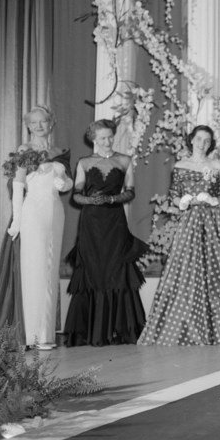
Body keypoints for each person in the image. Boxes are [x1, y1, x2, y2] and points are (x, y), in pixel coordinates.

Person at [139, 125, 220, 346]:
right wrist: (184, 201)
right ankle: (184, 327)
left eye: (207, 140)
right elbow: (174, 195)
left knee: (218, 269)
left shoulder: (217, 165)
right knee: (186, 269)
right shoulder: (180, 165)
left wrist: (214, 200)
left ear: (211, 143)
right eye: (199, 139)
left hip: (213, 222)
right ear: (191, 140)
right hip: (190, 222)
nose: (202, 143)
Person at [0, 106, 72, 349]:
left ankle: (46, 334)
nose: (38, 126)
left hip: (56, 212)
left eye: (43, 122)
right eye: (34, 122)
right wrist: (17, 220)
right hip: (33, 212)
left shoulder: (59, 152)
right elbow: (17, 185)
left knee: (49, 269)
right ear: (28, 126)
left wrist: (64, 183)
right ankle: (32, 334)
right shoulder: (25, 151)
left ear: (50, 124)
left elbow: (67, 183)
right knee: (34, 270)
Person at [63, 119, 147, 346]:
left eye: (110, 136)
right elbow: (75, 195)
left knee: (117, 271)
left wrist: (111, 198)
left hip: (115, 223)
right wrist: (91, 199)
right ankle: (90, 332)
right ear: (94, 139)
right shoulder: (84, 163)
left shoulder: (124, 160)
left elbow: (130, 193)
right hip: (90, 224)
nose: (108, 141)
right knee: (91, 271)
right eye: (102, 138)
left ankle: (122, 331)